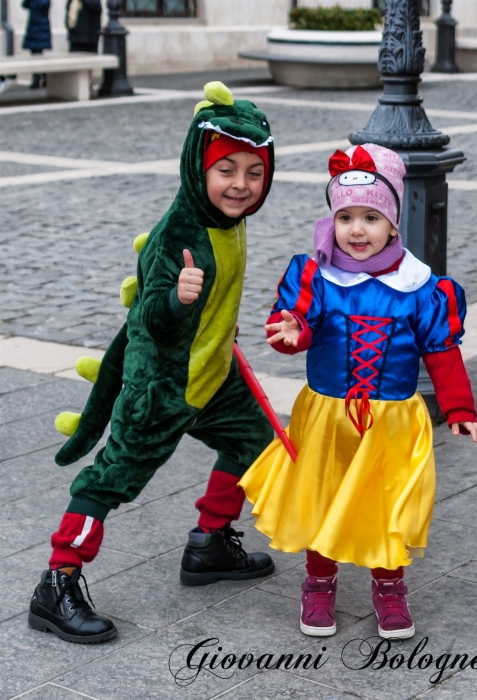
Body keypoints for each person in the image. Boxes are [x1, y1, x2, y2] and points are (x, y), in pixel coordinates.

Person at [28, 82, 276, 644]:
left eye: (254, 172)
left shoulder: (229, 218)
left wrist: (219, 325)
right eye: (226, 170)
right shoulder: (179, 233)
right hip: (162, 381)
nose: (240, 184)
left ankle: (209, 545)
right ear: (198, 168)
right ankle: (56, 583)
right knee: (113, 476)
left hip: (212, 372)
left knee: (253, 445)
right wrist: (175, 299)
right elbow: (150, 321)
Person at [240, 143, 477, 640]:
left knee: (387, 502)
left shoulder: (421, 287)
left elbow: (441, 351)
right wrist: (292, 334)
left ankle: (389, 586)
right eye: (346, 217)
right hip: (328, 416)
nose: (357, 229)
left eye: (371, 217)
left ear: (394, 223)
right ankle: (318, 582)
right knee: (323, 496)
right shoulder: (315, 277)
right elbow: (297, 327)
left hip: (394, 420)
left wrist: (460, 407)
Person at [22, 0, 51, 89]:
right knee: (35, 55)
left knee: (38, 55)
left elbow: (39, 5)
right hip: (34, 27)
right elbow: (24, 4)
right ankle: (39, 77)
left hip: (41, 28)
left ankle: (40, 78)